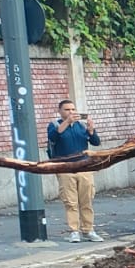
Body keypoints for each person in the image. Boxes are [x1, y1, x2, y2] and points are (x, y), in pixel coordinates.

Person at [46, 99, 102, 243]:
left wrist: (91, 130)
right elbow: (53, 137)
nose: (71, 112)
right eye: (67, 110)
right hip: (65, 167)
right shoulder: (54, 125)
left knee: (87, 200)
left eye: (73, 109)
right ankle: (74, 231)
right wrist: (67, 122)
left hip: (84, 166)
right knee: (70, 201)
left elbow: (96, 142)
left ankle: (88, 230)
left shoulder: (81, 126)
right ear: (60, 111)